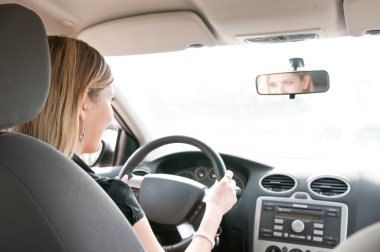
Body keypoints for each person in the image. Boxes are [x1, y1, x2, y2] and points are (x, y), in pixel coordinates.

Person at [12, 36, 237, 251]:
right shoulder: (112, 195)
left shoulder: (12, 174)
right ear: (83, 104)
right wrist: (215, 210)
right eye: (110, 100)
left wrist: (105, 201)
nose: (111, 119)